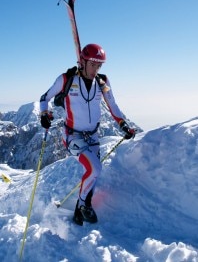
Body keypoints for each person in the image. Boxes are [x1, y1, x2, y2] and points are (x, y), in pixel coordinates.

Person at [40, 43, 136, 226]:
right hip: (72, 136)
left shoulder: (102, 82)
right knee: (95, 169)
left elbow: (112, 105)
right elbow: (44, 98)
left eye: (99, 65)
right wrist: (44, 115)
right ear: (83, 62)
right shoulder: (66, 79)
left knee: (93, 173)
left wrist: (123, 124)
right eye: (93, 64)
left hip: (92, 136)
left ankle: (79, 210)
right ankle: (84, 205)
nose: (96, 69)